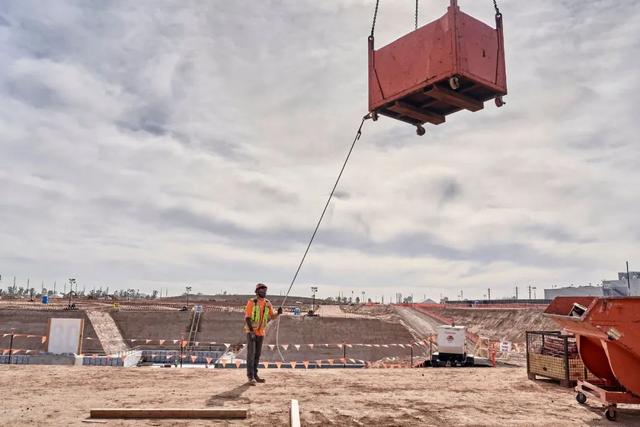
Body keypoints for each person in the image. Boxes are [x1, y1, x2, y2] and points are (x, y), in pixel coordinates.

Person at [244, 283, 282, 385]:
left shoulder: (267, 303)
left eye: (265, 291)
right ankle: (250, 376)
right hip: (251, 332)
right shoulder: (252, 302)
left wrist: (278, 313)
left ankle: (255, 375)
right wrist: (252, 332)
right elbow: (247, 317)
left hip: (261, 333)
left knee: (257, 355)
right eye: (262, 291)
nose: (264, 292)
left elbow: (272, 316)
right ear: (257, 291)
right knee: (251, 354)